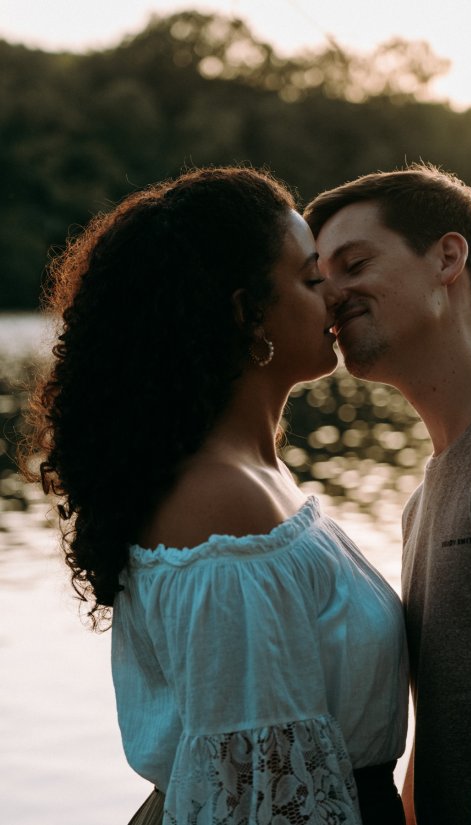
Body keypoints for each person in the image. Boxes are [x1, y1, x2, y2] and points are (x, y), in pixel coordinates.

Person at [24, 166, 409, 824]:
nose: (335, 296)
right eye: (312, 278)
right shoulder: (225, 508)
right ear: (245, 310)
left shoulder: (258, 477)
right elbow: (264, 800)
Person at [304, 163, 471, 825]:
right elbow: (435, 739)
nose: (331, 297)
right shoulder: (427, 492)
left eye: (353, 263)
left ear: (447, 258)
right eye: (319, 280)